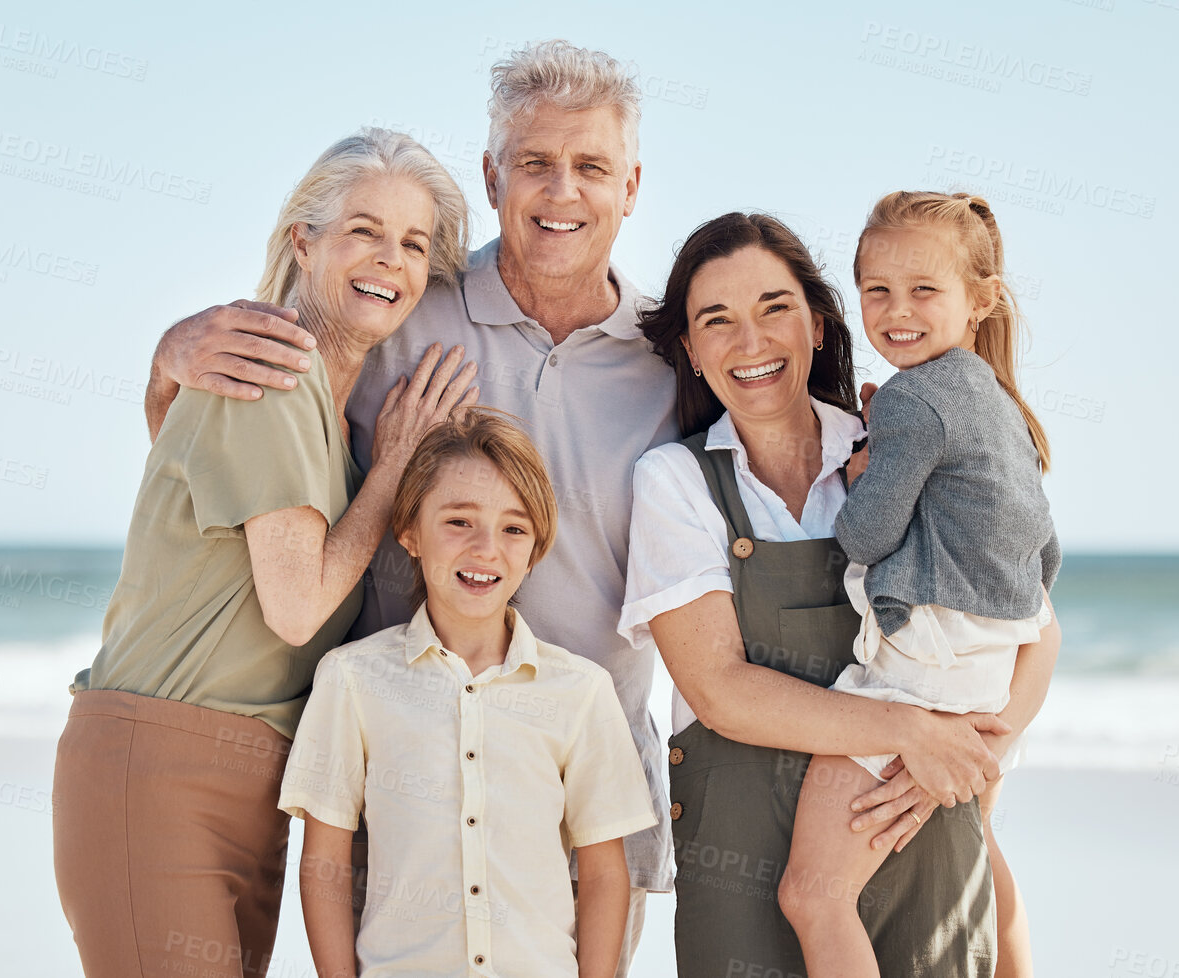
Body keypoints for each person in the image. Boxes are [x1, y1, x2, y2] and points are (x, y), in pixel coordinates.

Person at [140, 41, 752, 972]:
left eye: (589, 167)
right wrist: (169, 358)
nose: (560, 193)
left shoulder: (673, 357)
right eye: (535, 164)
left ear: (631, 186)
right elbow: (233, 440)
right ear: (492, 173)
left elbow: (776, 449)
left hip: (580, 793)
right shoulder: (401, 302)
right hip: (402, 790)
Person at [51, 128, 478, 978]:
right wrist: (397, 466)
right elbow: (295, 607)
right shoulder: (272, 368)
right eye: (364, 230)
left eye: (413, 244)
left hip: (251, 783)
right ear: (303, 241)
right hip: (161, 766)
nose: (389, 260)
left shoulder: (325, 416)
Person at [622, 212, 1063, 977]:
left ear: (819, 326)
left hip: (916, 835)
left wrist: (965, 755)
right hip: (741, 878)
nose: (750, 341)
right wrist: (912, 733)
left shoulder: (901, 445)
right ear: (689, 351)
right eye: (716, 321)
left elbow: (1032, 626)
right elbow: (720, 691)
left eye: (774, 308)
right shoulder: (675, 482)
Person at [777, 191, 1059, 978]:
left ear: (980, 301)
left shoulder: (911, 399)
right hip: (989, 666)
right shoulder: (1005, 408)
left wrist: (862, 472)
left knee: (812, 894)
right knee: (978, 850)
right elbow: (1044, 560)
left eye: (923, 291)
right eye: (877, 292)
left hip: (919, 669)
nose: (896, 312)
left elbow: (864, 535)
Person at [279, 409, 657, 978]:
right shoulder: (352, 679)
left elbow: (604, 873)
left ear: (534, 551)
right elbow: (325, 862)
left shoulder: (582, 692)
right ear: (409, 532)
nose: (486, 549)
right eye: (459, 521)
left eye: (514, 528)